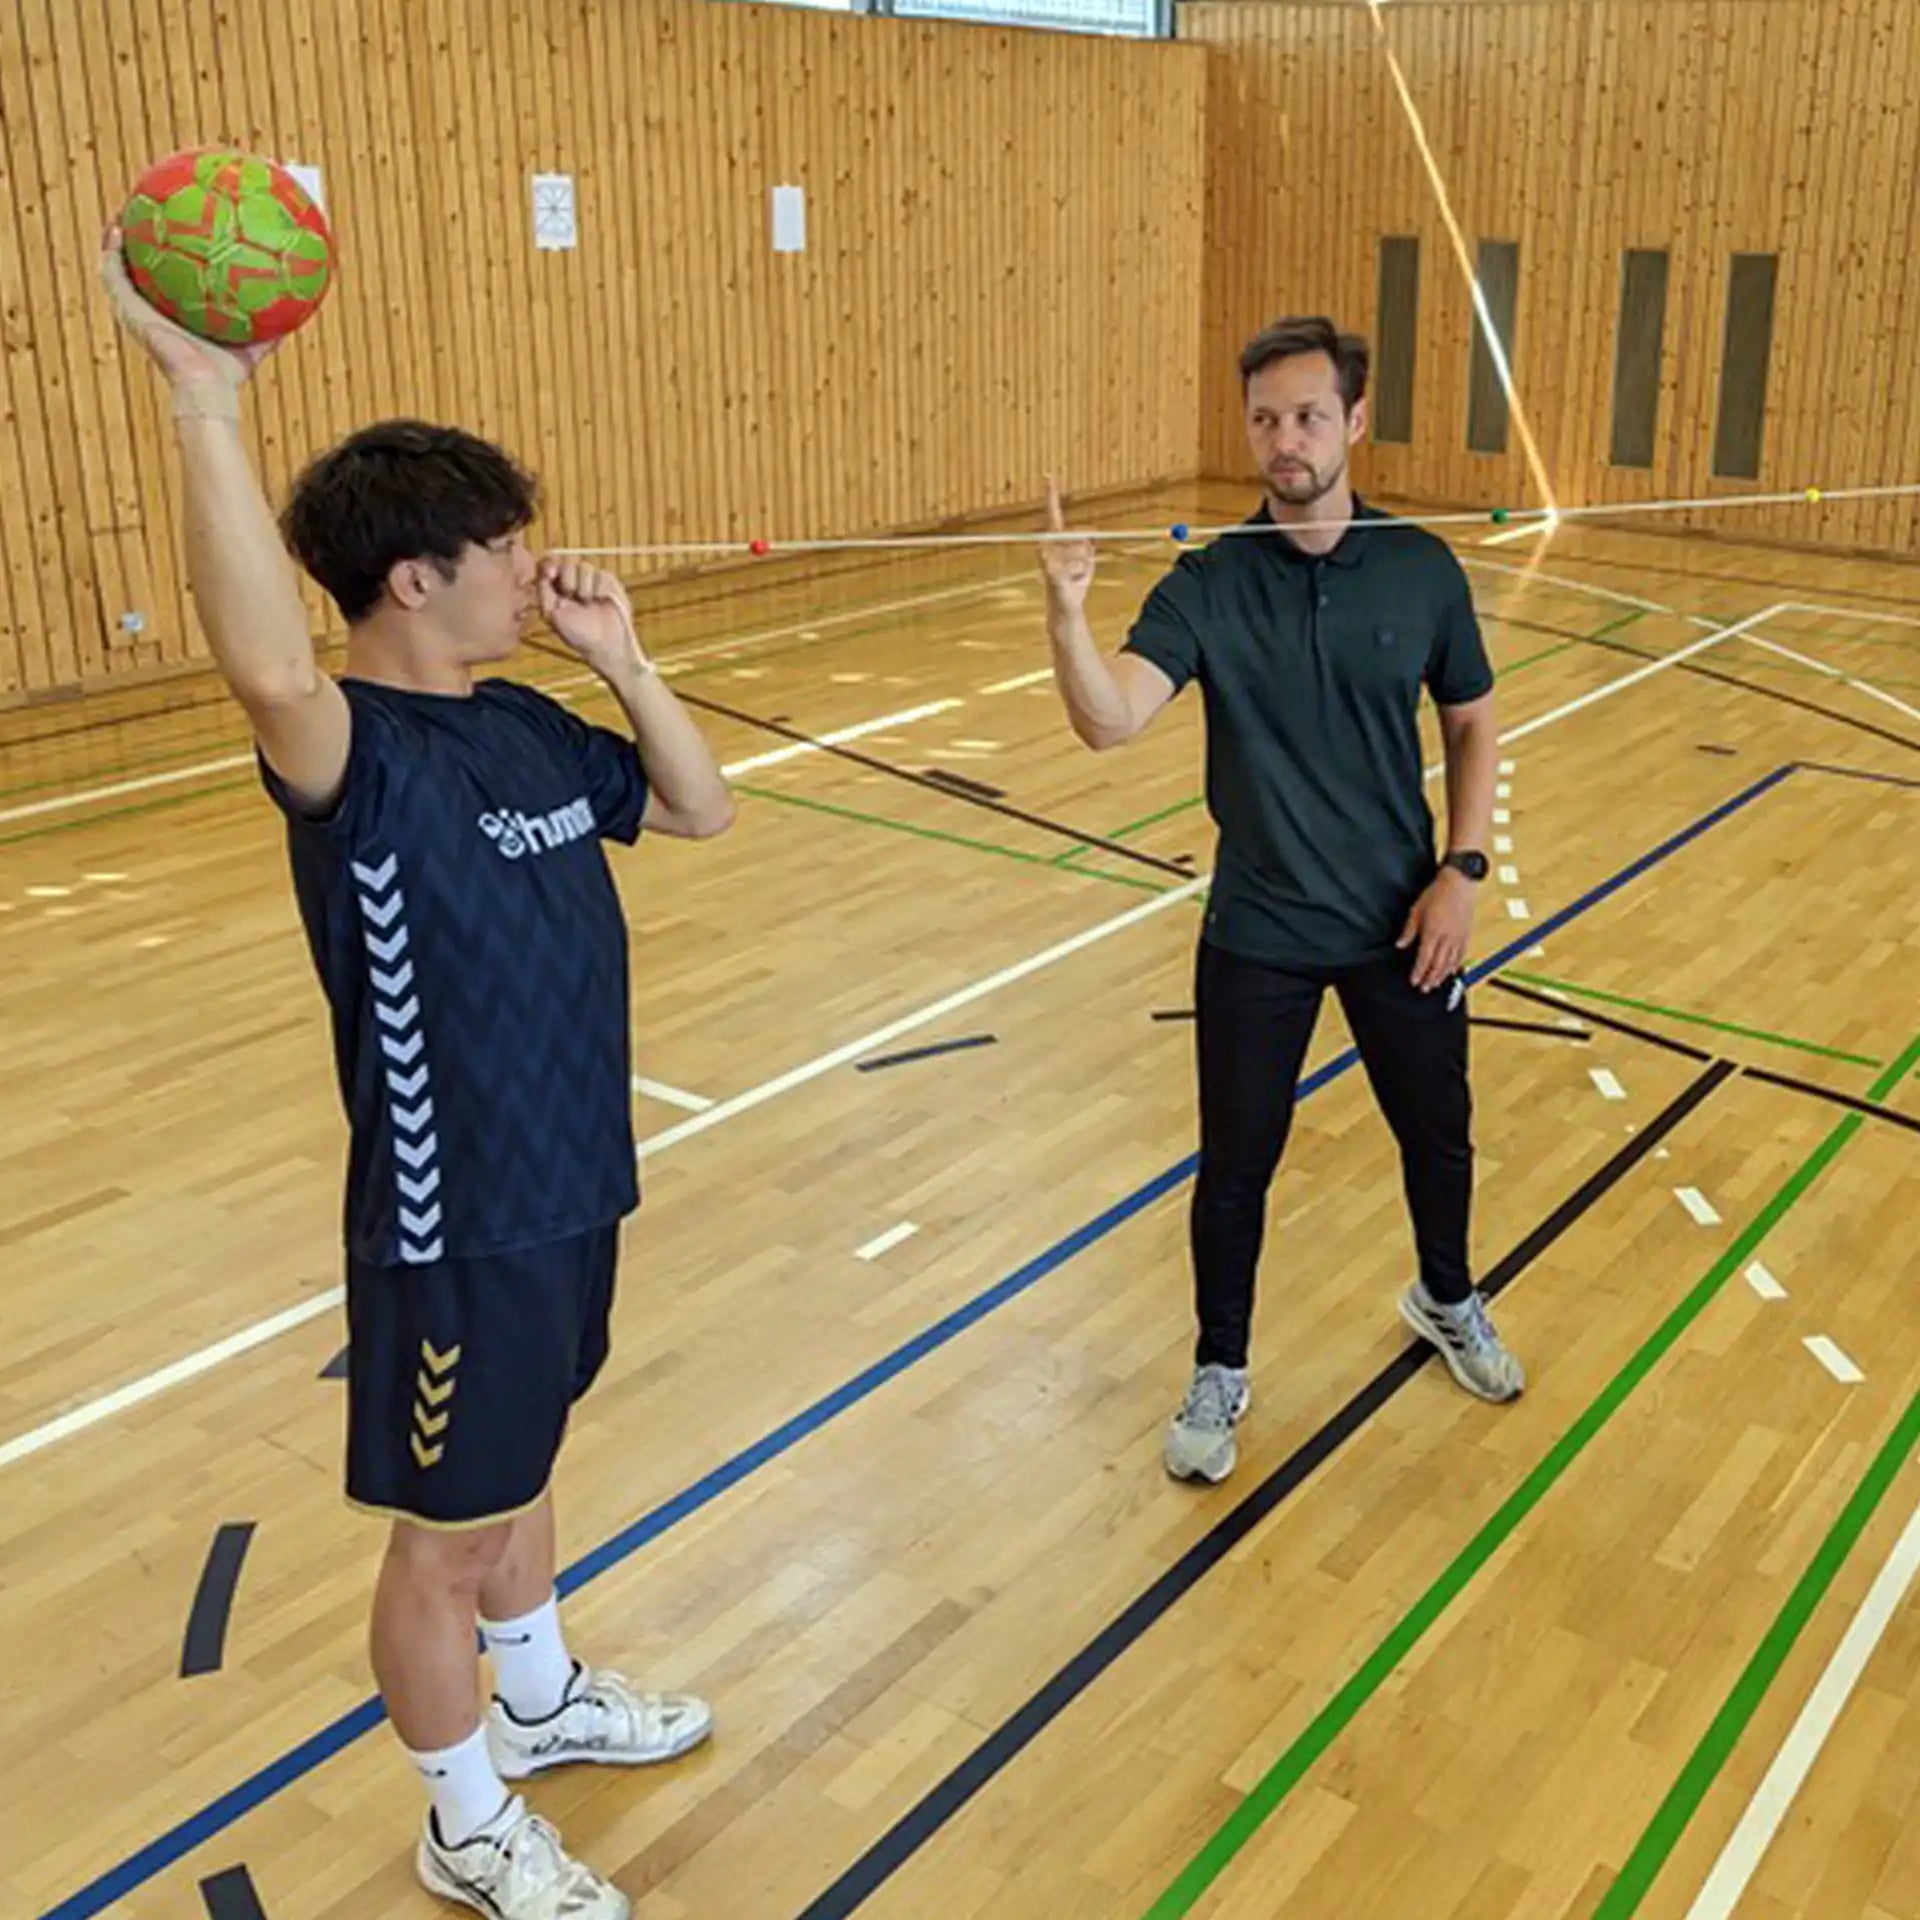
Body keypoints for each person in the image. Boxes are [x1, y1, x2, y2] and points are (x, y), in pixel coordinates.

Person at [101, 234, 734, 1919]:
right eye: (506, 555)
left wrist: (620, 659)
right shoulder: (352, 756)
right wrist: (202, 402)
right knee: (444, 1533)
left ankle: (535, 1702)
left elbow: (695, 806)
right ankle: (462, 1819)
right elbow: (265, 666)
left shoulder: (525, 725)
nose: (534, 572)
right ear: (411, 580)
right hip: (454, 1221)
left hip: (577, 1181)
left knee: (524, 1469)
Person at [1041, 315, 1523, 1487]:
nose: (1285, 440)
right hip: (1257, 929)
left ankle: (1446, 1295)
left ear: (1354, 421)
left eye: (1308, 416)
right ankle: (1220, 1367)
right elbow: (1111, 720)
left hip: (1401, 922)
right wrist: (1065, 610)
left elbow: (1470, 722)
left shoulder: (1420, 568)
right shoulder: (1209, 584)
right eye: (1264, 418)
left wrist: (1461, 874)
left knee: (1439, 1135)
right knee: (1236, 1167)